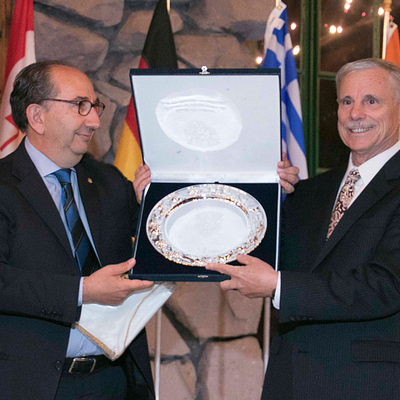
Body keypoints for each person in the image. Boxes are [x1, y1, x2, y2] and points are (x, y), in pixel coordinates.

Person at [207, 58, 400, 400]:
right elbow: (253, 254)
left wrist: (279, 286)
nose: (355, 113)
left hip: (367, 386)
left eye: (371, 101)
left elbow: (387, 285)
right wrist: (260, 191)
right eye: (346, 101)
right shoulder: (309, 192)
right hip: (288, 381)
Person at [0, 61, 155, 400]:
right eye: (80, 105)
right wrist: (83, 291)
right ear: (37, 116)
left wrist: (153, 204)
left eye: (95, 106)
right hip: (32, 385)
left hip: (112, 382)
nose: (95, 120)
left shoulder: (110, 182)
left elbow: (155, 250)